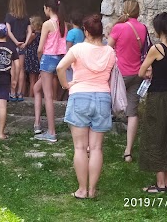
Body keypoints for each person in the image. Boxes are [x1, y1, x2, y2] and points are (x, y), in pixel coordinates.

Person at [56, 14, 116, 199]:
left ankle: (82, 189)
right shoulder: (110, 52)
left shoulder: (78, 49)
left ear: (86, 32)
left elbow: (60, 67)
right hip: (103, 97)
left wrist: (66, 85)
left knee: (80, 148)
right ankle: (92, 190)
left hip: (80, 95)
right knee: (96, 148)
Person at [138, 13, 167, 193]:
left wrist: (149, 70)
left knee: (155, 137)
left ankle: (160, 184)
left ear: (158, 29)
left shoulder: (157, 48)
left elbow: (141, 72)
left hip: (158, 96)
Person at [107, 0, 148, 162]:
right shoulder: (143, 28)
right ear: (138, 11)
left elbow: (108, 49)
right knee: (132, 112)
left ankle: (93, 145)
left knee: (106, 105)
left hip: (120, 74)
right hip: (137, 73)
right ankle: (128, 151)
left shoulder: (118, 28)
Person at [33, 0, 67, 142]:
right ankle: (37, 123)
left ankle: (51, 132)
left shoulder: (47, 24)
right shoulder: (63, 23)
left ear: (48, 8)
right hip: (60, 59)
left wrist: (40, 60)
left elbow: (40, 48)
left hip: (48, 58)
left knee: (48, 96)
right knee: (36, 88)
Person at [5, 0, 31, 102]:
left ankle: (12, 92)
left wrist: (15, 42)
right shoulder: (25, 17)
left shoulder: (9, 16)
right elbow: (29, 31)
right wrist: (25, 42)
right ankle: (20, 93)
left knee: (13, 69)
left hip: (12, 45)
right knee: (21, 69)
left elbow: (8, 31)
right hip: (22, 45)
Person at [25, 16, 42, 98]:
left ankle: (30, 97)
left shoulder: (32, 35)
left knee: (32, 80)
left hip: (31, 57)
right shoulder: (42, 34)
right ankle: (37, 95)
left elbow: (27, 43)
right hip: (38, 58)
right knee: (37, 79)